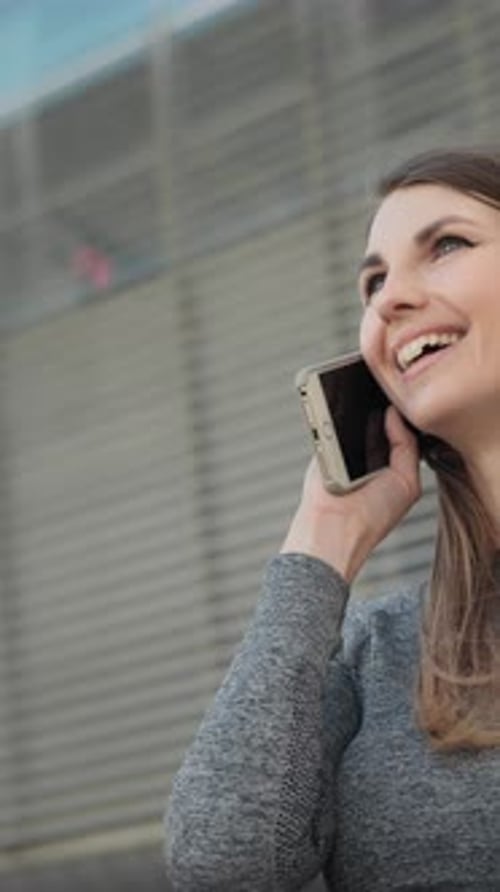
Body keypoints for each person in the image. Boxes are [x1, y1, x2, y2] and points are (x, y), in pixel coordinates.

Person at [165, 149, 500, 891]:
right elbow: (223, 864)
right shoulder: (374, 652)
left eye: (446, 245)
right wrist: (321, 540)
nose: (387, 301)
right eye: (373, 282)